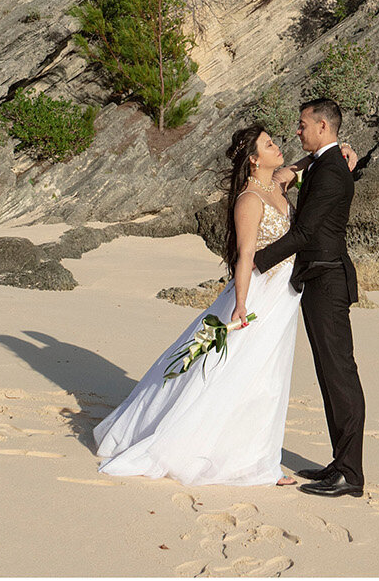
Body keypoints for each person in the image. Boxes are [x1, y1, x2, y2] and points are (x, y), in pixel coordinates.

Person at [92, 125, 313, 487]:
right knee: (240, 374)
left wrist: (334, 152)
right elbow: (244, 257)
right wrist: (241, 303)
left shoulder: (277, 184)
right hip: (259, 295)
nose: (278, 147)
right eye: (269, 144)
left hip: (285, 297)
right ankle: (248, 462)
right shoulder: (250, 199)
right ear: (254, 159)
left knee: (269, 376)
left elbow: (300, 166)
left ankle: (257, 457)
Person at [245, 99, 367, 498]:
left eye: (302, 125)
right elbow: (304, 166)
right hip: (316, 280)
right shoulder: (322, 162)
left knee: (340, 375)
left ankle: (350, 472)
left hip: (328, 280)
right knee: (328, 374)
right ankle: (339, 462)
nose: (296, 131)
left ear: (322, 127)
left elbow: (306, 234)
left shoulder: (332, 173)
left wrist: (255, 262)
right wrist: (298, 165)